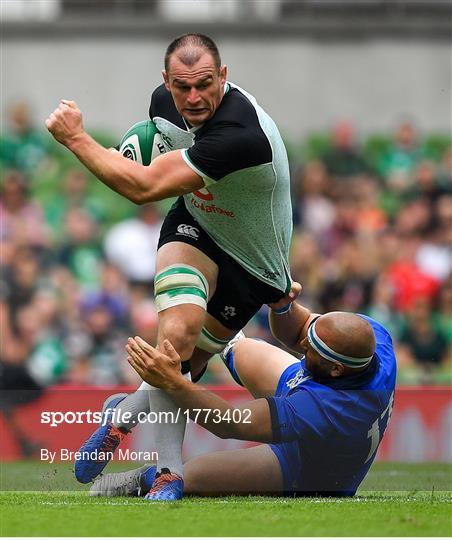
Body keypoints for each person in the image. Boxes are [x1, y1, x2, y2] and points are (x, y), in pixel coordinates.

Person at [45, 33, 292, 499]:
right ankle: (169, 473)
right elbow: (150, 156)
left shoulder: (241, 134)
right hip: (196, 226)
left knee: (184, 372)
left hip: (253, 263)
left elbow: (142, 188)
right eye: (182, 87)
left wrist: (76, 138)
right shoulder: (165, 102)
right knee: (175, 340)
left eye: (204, 84)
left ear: (224, 76)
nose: (193, 98)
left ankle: (124, 414)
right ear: (166, 82)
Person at [90, 283, 397, 498]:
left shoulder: (325, 409)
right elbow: (299, 327)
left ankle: (134, 476)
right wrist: (283, 306)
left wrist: (175, 382)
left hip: (306, 470)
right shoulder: (373, 339)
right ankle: (219, 334)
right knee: (244, 348)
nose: (303, 345)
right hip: (324, 399)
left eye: (313, 349)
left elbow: (230, 422)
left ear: (336, 369)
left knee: (189, 478)